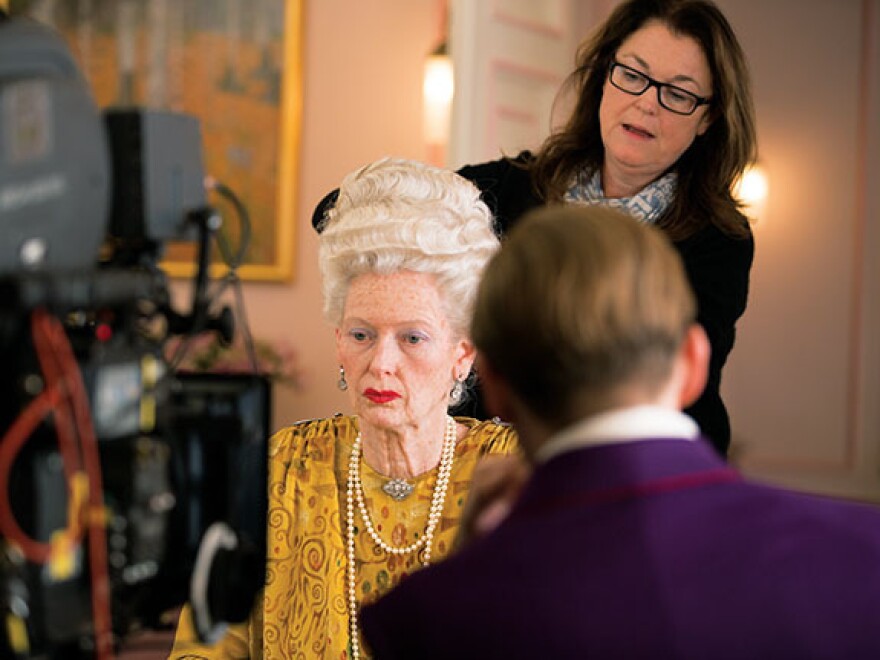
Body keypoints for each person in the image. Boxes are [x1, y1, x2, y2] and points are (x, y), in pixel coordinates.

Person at [358, 205, 880, 659]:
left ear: (492, 384)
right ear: (694, 362)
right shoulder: (862, 555)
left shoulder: (427, 620)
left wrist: (472, 563)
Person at [312, 0, 756, 457]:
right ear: (604, 74)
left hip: (641, 470)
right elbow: (338, 213)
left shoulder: (719, 239)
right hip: (489, 461)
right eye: (633, 75)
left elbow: (671, 384)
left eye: (678, 94)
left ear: (709, 117)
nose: (646, 103)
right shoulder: (513, 186)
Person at [169, 157, 518, 659]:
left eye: (412, 338)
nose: (381, 363)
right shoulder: (280, 470)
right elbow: (204, 644)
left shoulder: (513, 473)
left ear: (463, 352)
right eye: (362, 334)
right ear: (338, 341)